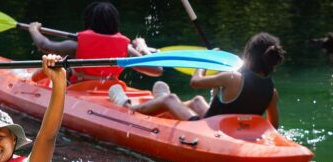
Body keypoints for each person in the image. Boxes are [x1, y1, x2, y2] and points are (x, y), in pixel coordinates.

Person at [108, 32, 286, 128]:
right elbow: (273, 126)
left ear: (249, 55)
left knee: (171, 99)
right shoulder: (272, 93)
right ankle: (160, 102)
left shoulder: (232, 77)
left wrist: (205, 61)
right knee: (197, 101)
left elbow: (195, 82)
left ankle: (129, 107)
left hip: (207, 129)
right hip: (231, 129)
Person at [28, 1, 161, 82]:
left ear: (89, 21)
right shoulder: (126, 50)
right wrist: (143, 47)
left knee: (58, 62)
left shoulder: (76, 46)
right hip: (111, 89)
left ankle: (33, 80)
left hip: (79, 89)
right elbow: (157, 70)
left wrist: (33, 29)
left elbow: (44, 45)